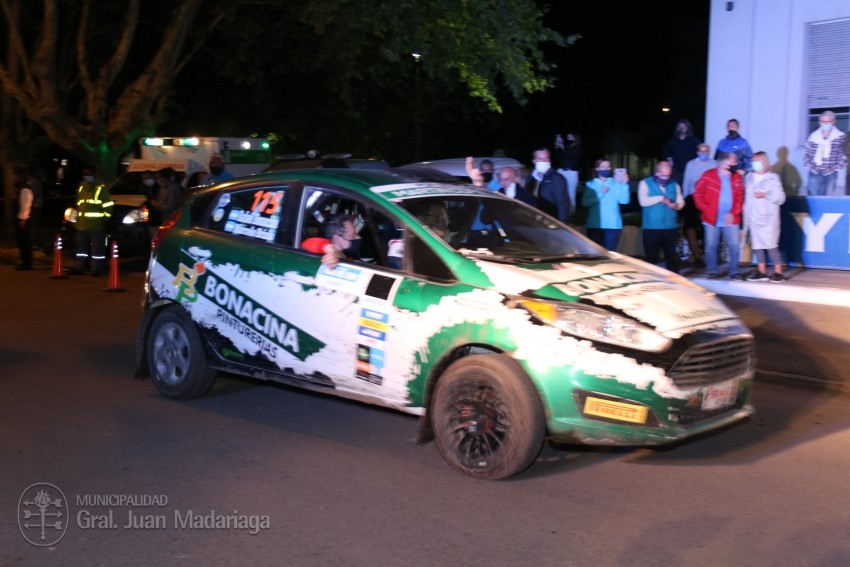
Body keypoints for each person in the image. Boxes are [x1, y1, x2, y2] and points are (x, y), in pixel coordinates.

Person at [694, 152, 745, 280]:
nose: (736, 164)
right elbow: (697, 194)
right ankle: (713, 271)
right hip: (711, 218)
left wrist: (733, 213)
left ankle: (734, 271)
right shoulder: (708, 175)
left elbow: (740, 197)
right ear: (723, 163)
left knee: (734, 245)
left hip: (731, 219)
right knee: (711, 245)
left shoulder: (736, 177)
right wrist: (706, 209)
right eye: (733, 162)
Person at [744, 151, 787, 282]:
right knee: (757, 245)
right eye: (753, 161)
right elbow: (747, 196)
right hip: (754, 216)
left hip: (769, 218)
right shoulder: (749, 177)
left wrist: (765, 195)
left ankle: (778, 272)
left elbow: (781, 198)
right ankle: (761, 271)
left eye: (758, 161)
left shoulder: (773, 178)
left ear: (764, 162)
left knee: (771, 244)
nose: (755, 164)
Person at [639, 160, 685, 273]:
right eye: (663, 175)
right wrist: (660, 198)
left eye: (668, 175)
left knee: (672, 259)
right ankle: (650, 283)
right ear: (657, 172)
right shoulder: (645, 183)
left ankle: (676, 284)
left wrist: (677, 205)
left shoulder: (674, 184)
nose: (666, 178)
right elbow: (643, 201)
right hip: (651, 229)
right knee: (651, 259)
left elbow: (681, 201)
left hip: (670, 228)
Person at [581, 158, 631, 250]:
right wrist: (600, 194)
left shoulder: (615, 183)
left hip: (613, 226)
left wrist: (624, 185)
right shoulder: (590, 184)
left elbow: (624, 201)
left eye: (608, 167)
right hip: (595, 225)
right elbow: (585, 202)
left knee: (610, 255)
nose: (606, 169)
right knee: (596, 255)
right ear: (596, 168)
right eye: (603, 167)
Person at [681, 143, 717, 268]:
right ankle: (697, 258)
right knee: (690, 229)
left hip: (708, 200)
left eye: (706, 151)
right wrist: (684, 201)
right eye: (701, 151)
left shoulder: (714, 164)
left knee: (708, 228)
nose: (704, 154)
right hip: (692, 199)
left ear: (709, 152)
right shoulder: (691, 164)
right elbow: (686, 184)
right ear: (697, 152)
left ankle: (709, 256)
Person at [73, 164, 113, 275]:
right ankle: (80, 267)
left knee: (97, 250)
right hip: (82, 225)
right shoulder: (81, 187)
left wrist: (105, 218)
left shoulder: (100, 188)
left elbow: (108, 205)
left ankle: (96, 269)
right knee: (81, 249)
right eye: (85, 174)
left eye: (89, 173)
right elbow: (79, 205)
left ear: (94, 175)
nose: (87, 176)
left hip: (96, 225)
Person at [803, 110, 847, 196]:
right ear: (820, 122)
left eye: (828, 121)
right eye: (823, 121)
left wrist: (835, 168)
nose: (826, 123)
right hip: (814, 173)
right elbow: (807, 155)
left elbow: (842, 155)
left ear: (833, 122)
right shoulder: (813, 136)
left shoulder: (840, 136)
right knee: (814, 199)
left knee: (827, 198)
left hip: (831, 173)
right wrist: (812, 168)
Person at [524, 147, 570, 223]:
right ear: (534, 161)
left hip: (550, 222)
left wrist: (562, 224)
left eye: (547, 158)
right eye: (541, 159)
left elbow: (563, 204)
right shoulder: (530, 178)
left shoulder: (556, 178)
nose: (544, 161)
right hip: (533, 221)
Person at [663, 119, 702, 186]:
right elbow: (666, 149)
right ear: (677, 128)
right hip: (677, 171)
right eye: (680, 126)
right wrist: (669, 159)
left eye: (684, 126)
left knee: (689, 191)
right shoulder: (673, 140)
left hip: (690, 171)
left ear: (688, 128)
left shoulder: (694, 140)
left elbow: (702, 148)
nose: (682, 128)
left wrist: (699, 161)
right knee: (676, 189)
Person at [552, 132, 582, 212]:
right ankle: (559, 210)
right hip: (561, 171)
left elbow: (570, 157)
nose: (569, 139)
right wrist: (557, 146)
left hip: (571, 172)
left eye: (571, 137)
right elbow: (558, 157)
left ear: (575, 138)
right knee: (559, 191)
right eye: (568, 137)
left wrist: (562, 147)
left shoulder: (577, 148)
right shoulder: (566, 147)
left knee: (571, 193)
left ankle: (570, 213)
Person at [149, 168, 181, 236]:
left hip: (170, 220)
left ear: (165, 178)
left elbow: (170, 206)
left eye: (159, 177)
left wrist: (157, 205)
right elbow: (159, 200)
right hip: (162, 219)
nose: (158, 179)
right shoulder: (163, 188)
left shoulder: (174, 188)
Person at [13, 167, 34, 271]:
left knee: (24, 242)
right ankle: (26, 262)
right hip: (22, 218)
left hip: (23, 219)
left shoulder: (25, 189)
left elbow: (26, 205)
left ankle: (27, 263)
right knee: (23, 242)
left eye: (15, 175)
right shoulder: (23, 188)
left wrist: (23, 219)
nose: (14, 177)